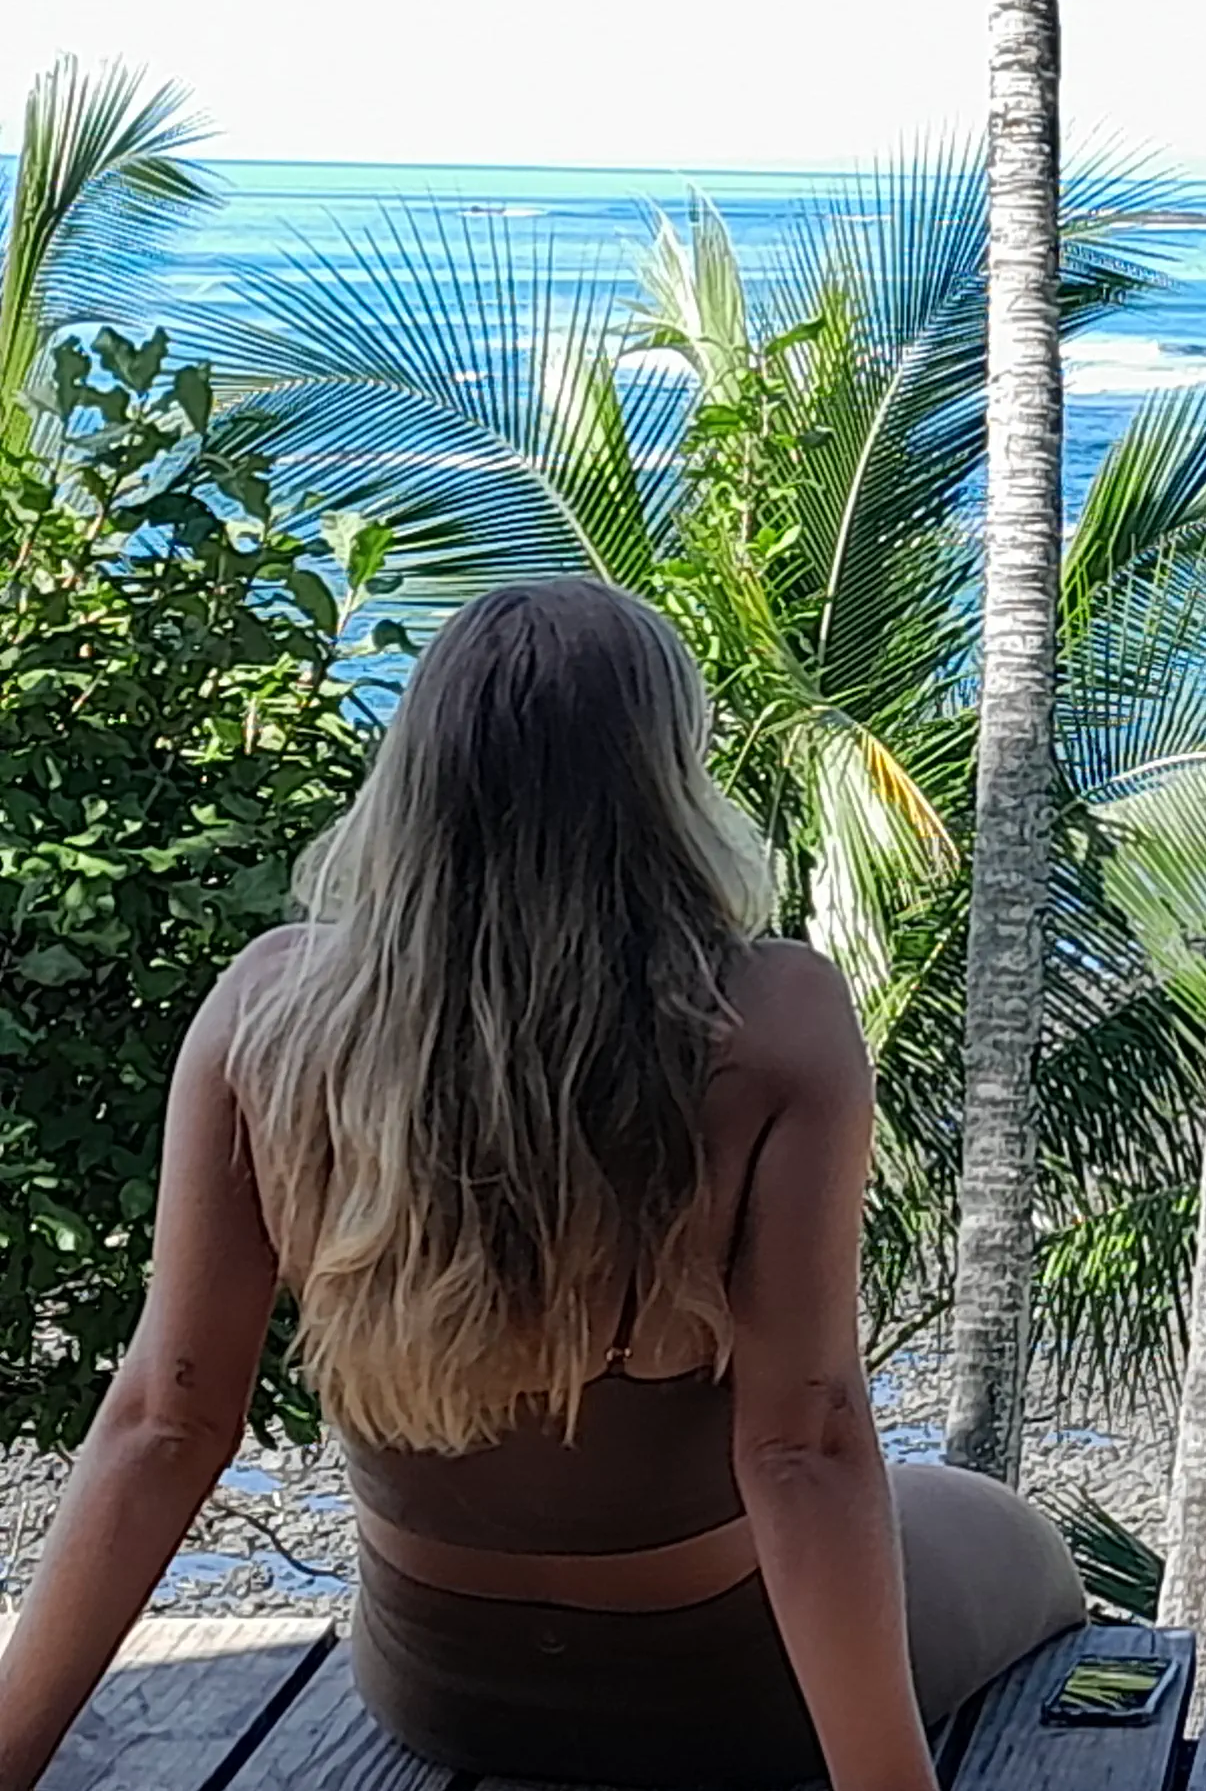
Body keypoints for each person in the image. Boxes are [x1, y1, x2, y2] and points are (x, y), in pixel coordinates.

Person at [0, 581, 1083, 1791]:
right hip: (724, 1688)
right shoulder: (769, 1018)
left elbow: (164, 1419)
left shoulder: (272, 1013)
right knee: (1013, 1538)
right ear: (666, 778)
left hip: (443, 1689)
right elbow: (804, 1444)